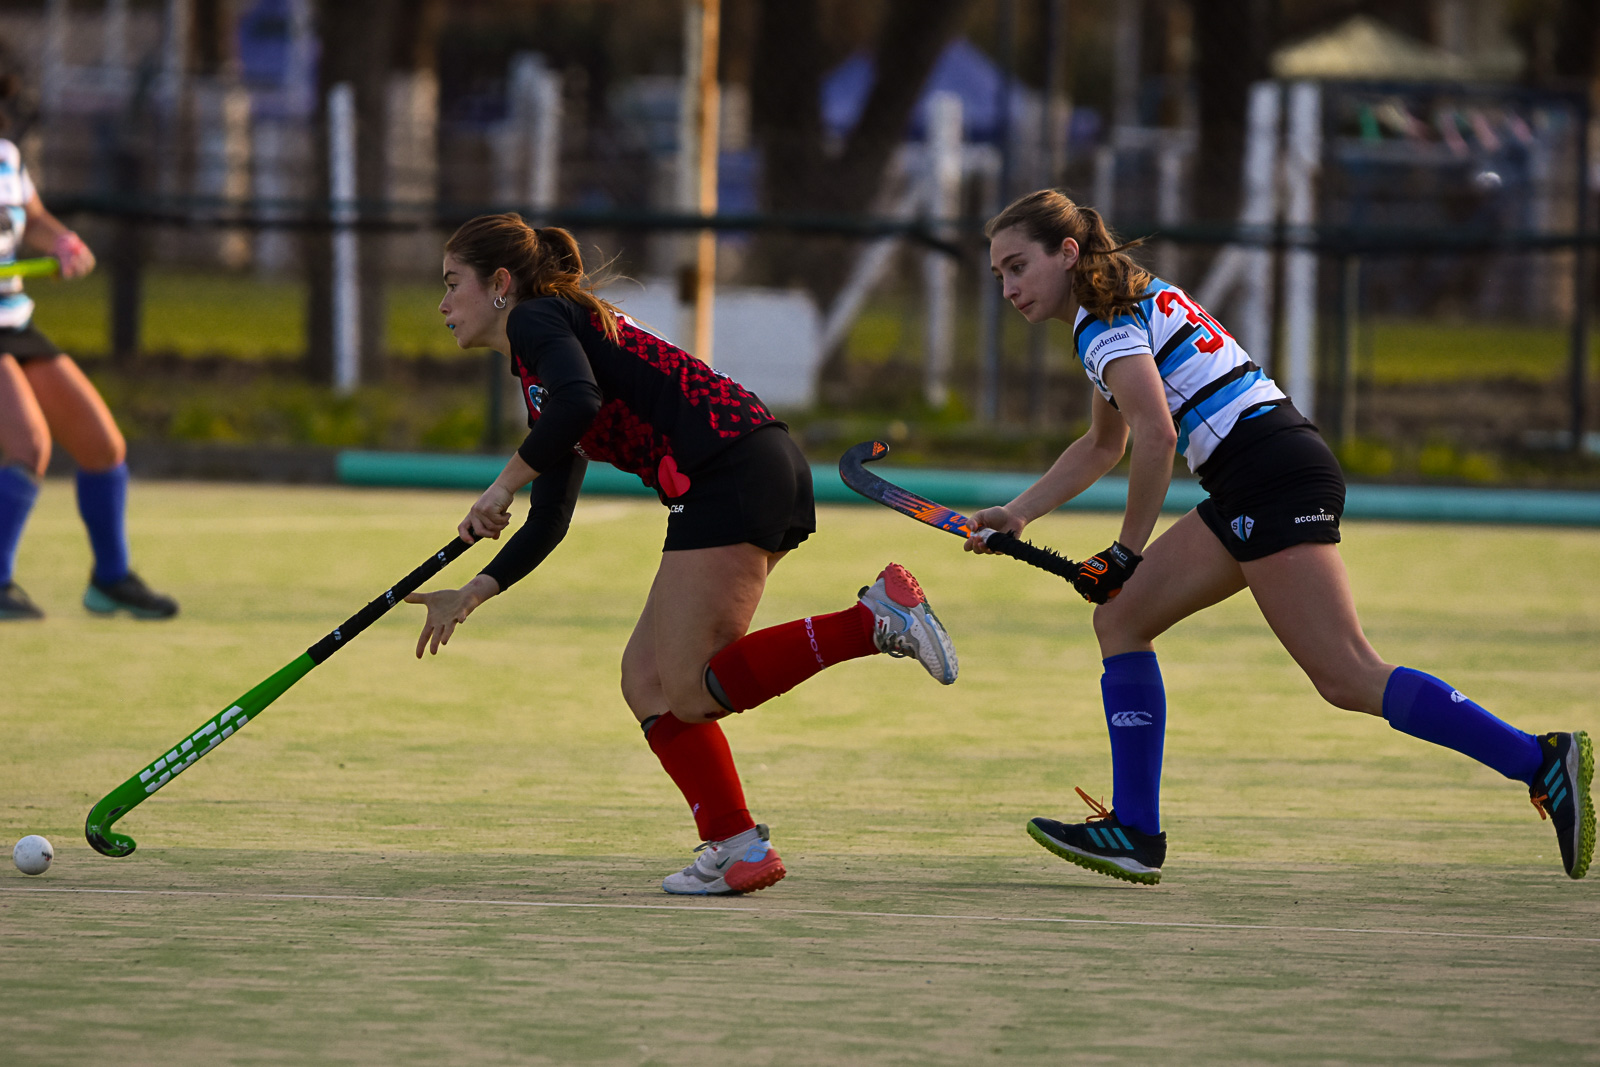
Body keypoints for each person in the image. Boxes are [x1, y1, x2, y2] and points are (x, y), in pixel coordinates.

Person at [967, 188, 1592, 885]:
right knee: (1120, 617)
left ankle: (1539, 760)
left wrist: (1125, 550)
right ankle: (1135, 831)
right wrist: (1018, 512)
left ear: (1068, 253)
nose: (1010, 287)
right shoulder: (1117, 303)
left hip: (1269, 473)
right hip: (1260, 470)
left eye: (1019, 266)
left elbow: (1156, 434)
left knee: (1347, 672)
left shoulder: (1102, 322)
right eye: (999, 275)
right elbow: (1101, 444)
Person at [405, 214, 959, 895]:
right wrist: (474, 589)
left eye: (450, 283)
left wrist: (500, 484)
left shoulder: (538, 321)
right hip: (743, 466)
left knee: (693, 689)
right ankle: (736, 844)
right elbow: (550, 516)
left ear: (499, 284)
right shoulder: (545, 370)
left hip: (729, 467)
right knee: (647, 680)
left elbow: (578, 406)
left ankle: (872, 621)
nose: (442, 303)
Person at [0, 124, 177, 620]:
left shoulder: (7, 157)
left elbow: (31, 217)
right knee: (29, 446)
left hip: (14, 318)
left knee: (102, 446)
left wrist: (62, 243)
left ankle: (111, 579)